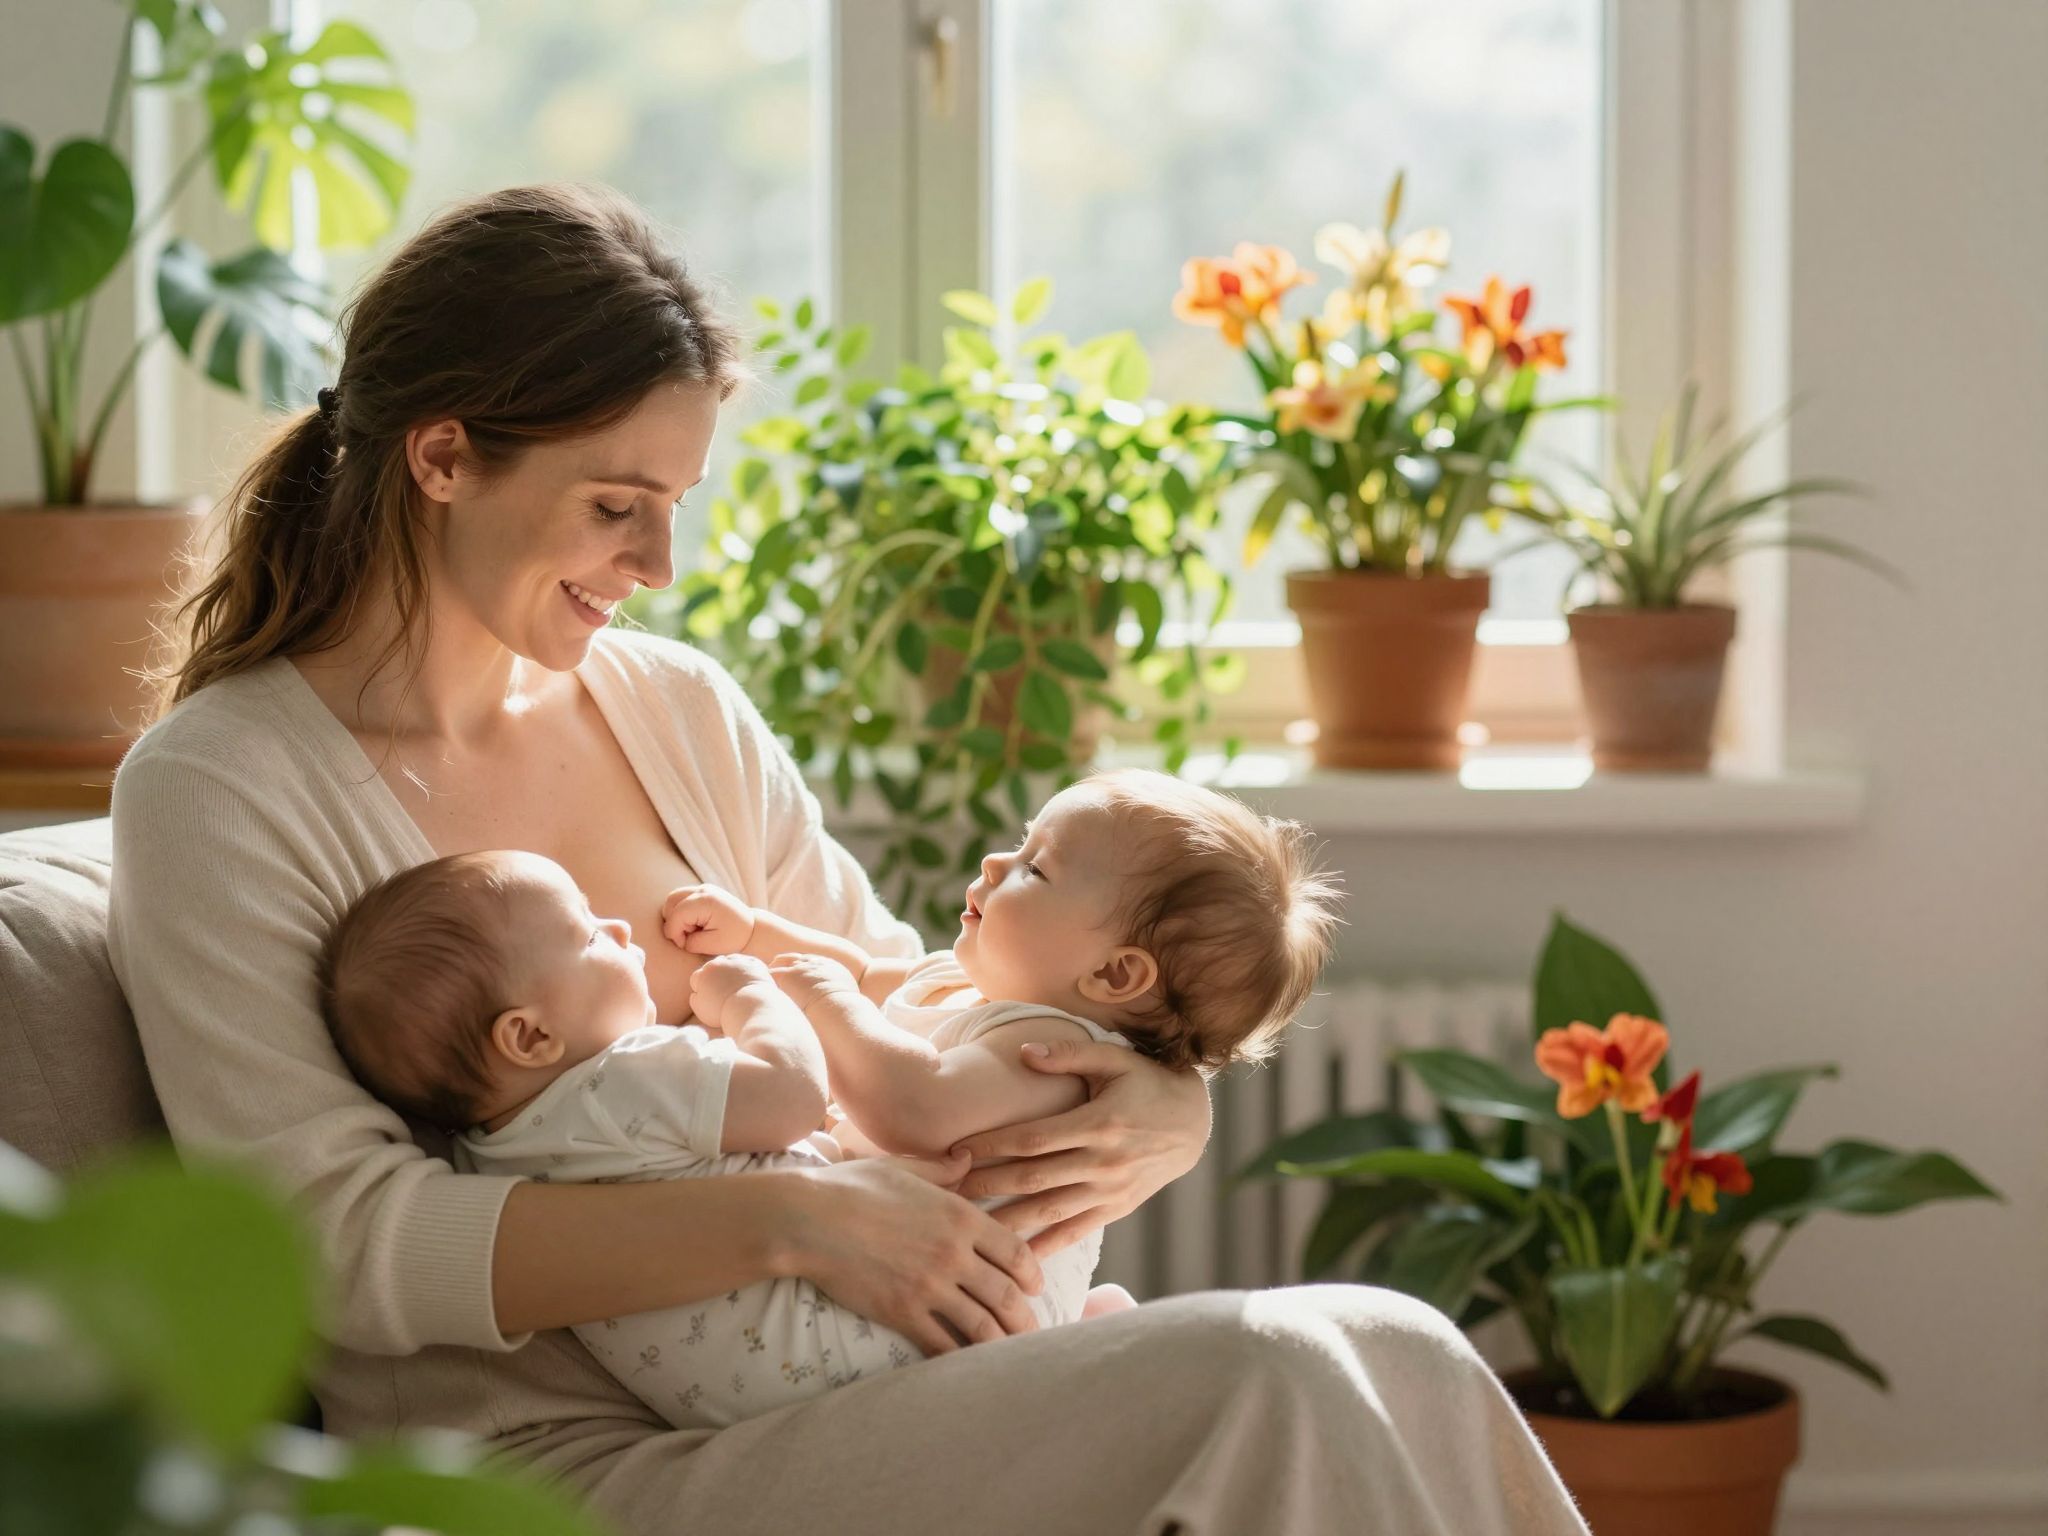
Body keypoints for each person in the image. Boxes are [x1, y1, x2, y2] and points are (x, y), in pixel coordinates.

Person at [107, 182, 1589, 1534]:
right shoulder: (225, 789)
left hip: (850, 1380)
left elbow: (913, 992)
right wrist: (800, 1222)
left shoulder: (675, 707)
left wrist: (1162, 1095)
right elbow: (325, 1243)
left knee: (1397, 1343)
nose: (658, 568)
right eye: (616, 507)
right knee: (1266, 1371)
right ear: (442, 455)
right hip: (562, 1467)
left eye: (673, 509)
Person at [313, 770, 1341, 1430]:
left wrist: (1177, 1102)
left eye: (1033, 866)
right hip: (863, 1359)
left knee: (1317, 1360)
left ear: (1113, 981)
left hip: (944, 1316)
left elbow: (912, 1105)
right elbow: (871, 970)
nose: (992, 862)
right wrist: (766, 940)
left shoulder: (1040, 1044)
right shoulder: (988, 997)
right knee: (1283, 1370)